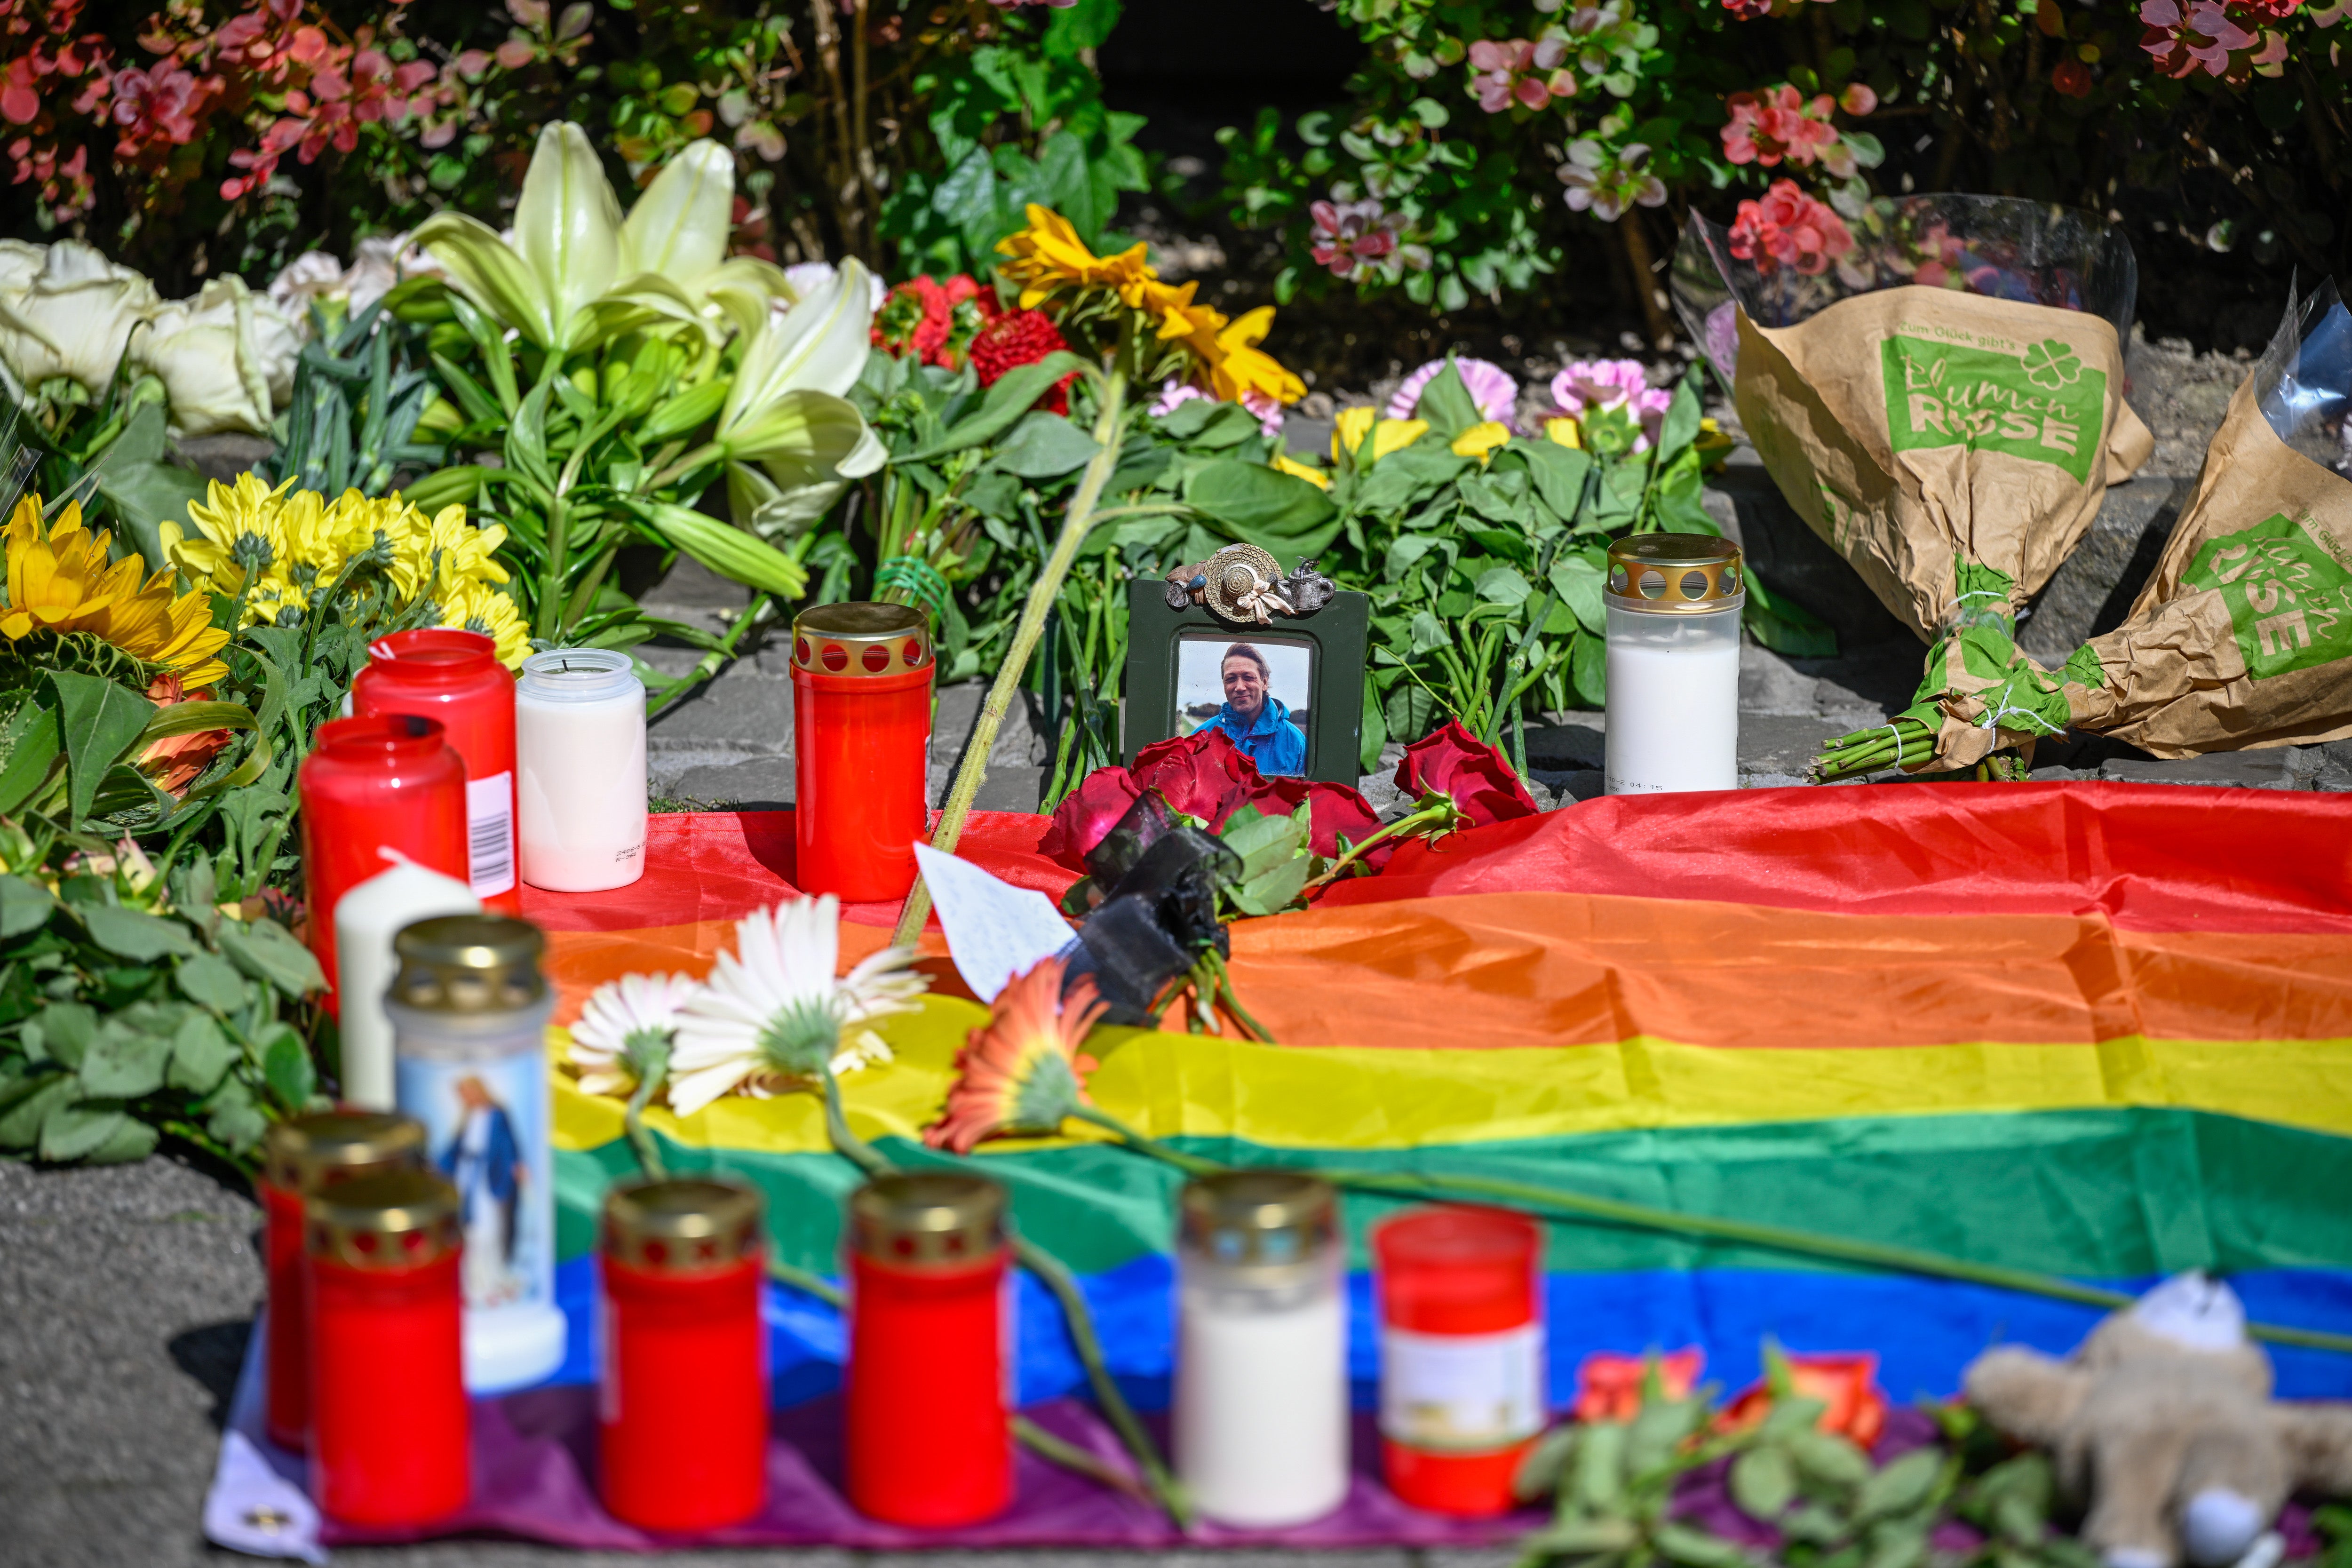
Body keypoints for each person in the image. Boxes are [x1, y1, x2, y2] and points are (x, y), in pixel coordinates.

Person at [438, 1073, 523, 1305]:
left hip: (488, 1178)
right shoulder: (468, 1118)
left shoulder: (497, 1115)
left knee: (490, 1230)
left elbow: (509, 1144)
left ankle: (494, 1280)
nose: (464, 1098)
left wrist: (517, 1165)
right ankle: (474, 1284)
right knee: (470, 1231)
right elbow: (455, 1150)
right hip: (467, 1178)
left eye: (466, 1093)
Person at [1208, 642, 1306, 775]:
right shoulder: (1203, 735)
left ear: (1264, 683)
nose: (1240, 687)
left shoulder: (1295, 741)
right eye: (1231, 679)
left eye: (1249, 678)